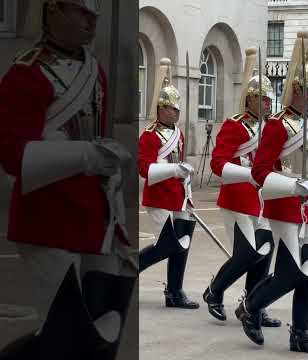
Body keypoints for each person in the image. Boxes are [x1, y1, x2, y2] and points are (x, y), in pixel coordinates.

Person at [0, 1, 136, 358]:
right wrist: (88, 156)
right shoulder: (26, 73)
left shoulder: (95, 71)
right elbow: (14, 155)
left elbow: (100, 145)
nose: (90, 20)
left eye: (92, 13)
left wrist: (116, 220)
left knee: (102, 332)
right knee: (69, 335)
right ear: (53, 12)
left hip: (93, 217)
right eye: (80, 11)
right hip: (47, 219)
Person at [234, 32, 308, 356]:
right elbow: (260, 172)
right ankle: (251, 306)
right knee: (292, 272)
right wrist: (292, 186)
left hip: (306, 204)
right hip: (283, 201)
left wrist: (307, 190)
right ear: (297, 90)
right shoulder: (276, 125)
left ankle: (301, 332)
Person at [203, 47, 281, 327]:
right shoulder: (234, 126)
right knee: (247, 253)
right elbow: (218, 163)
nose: (268, 106)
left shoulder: (269, 128)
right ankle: (214, 291)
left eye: (270, 101)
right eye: (263, 100)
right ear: (250, 99)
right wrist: (248, 174)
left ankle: (253, 305)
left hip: (261, 200)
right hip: (237, 199)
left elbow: (273, 164)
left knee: (265, 251)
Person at [138, 58, 199, 310]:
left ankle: (175, 291)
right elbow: (145, 169)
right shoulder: (150, 135)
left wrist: (185, 177)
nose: (176, 113)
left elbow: (179, 164)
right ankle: (131, 267)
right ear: (161, 108)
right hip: (159, 195)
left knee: (182, 244)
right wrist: (175, 169)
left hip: (179, 194)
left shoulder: (179, 134)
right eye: (172, 109)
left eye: (178, 109)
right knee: (167, 245)